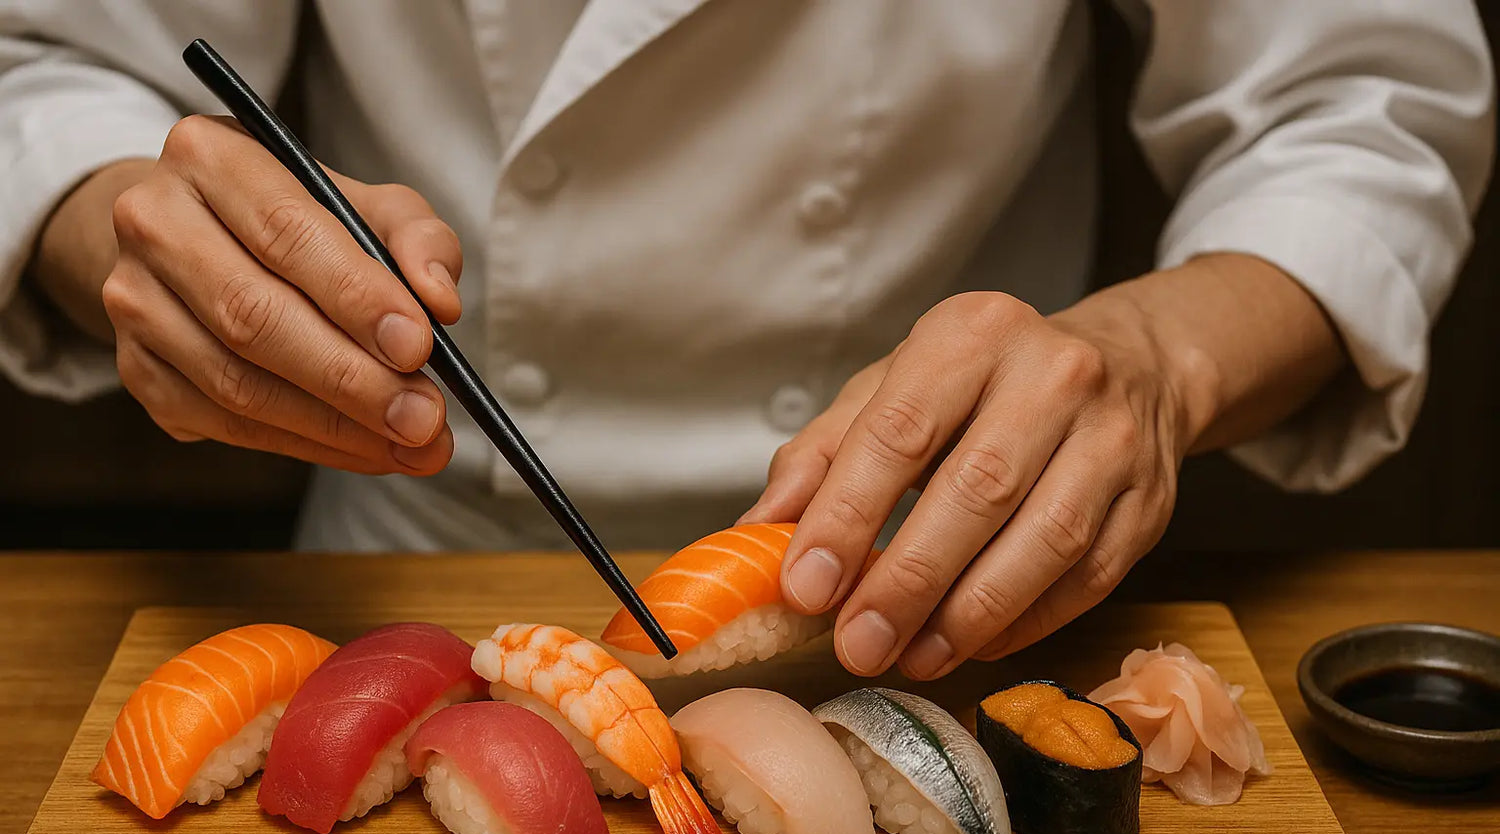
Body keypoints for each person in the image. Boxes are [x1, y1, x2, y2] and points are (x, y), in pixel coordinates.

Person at [1, 2, 1491, 679]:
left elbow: (1355, 103)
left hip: (941, 588)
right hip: (412, 556)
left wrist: (1158, 361)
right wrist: (158, 235)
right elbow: (57, 62)